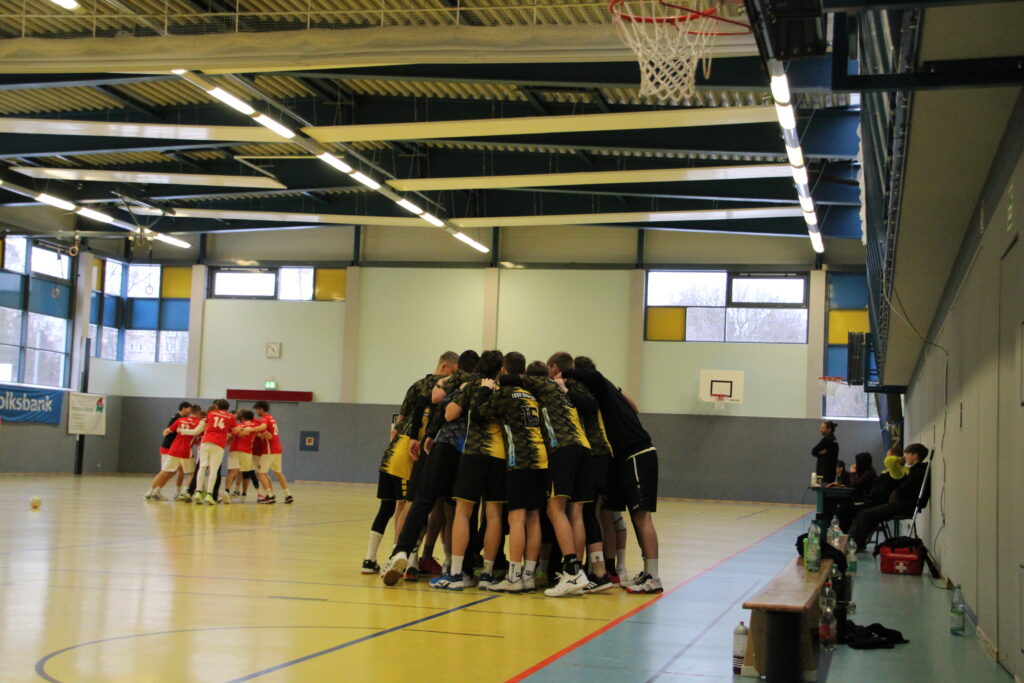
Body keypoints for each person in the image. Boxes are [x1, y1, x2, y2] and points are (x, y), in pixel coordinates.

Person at [561, 357, 662, 594]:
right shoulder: (610, 392)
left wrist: (563, 375)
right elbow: (635, 407)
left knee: (642, 516)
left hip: (638, 453)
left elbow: (593, 376)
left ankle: (654, 577)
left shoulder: (600, 383)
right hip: (625, 458)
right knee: (633, 516)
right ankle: (647, 571)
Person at [417, 350, 506, 591]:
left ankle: (457, 573)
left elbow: (449, 413)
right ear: (501, 370)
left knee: (463, 513)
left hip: (473, 453)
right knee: (493, 515)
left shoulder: (471, 385)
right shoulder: (504, 390)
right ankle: (487, 573)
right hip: (499, 455)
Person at [371, 352, 460, 577]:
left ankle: (402, 557)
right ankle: (409, 558)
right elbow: (404, 419)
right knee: (423, 506)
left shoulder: (419, 385)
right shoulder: (449, 385)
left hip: (412, 448)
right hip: (423, 450)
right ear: (445, 366)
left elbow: (400, 421)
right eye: (454, 369)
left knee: (407, 506)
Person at [474, 352, 549, 593]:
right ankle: (528, 575)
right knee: (534, 518)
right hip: (541, 460)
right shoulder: (531, 396)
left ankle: (514, 577)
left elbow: (479, 413)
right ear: (524, 371)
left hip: (520, 461)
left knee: (516, 518)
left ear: (504, 371)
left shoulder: (505, 393)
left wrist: (484, 390)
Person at [848, 443, 930, 550]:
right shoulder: (914, 470)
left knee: (866, 514)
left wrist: (897, 492)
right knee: (864, 514)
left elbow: (903, 490)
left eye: (907, 454)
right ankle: (852, 542)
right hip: (899, 503)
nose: (904, 457)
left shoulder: (918, 472)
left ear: (915, 455)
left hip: (904, 505)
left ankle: (854, 545)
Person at [145, 402, 198, 501]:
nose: (190, 411)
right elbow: (165, 432)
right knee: (167, 472)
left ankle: (176, 492)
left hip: (174, 449)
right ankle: (155, 491)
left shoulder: (181, 419)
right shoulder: (177, 418)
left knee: (177, 472)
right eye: (189, 409)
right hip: (169, 448)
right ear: (184, 408)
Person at [251, 401, 292, 504]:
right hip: (277, 449)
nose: (256, 411)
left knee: (261, 473)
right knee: (278, 472)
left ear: (261, 409)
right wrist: (261, 435)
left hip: (269, 450)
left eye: (257, 409)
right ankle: (288, 495)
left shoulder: (266, 418)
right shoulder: (272, 418)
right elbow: (268, 434)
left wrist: (250, 430)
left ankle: (269, 496)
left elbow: (263, 427)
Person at [226, 410, 259, 501]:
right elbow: (264, 431)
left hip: (234, 450)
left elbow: (230, 437)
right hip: (247, 451)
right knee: (246, 473)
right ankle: (244, 495)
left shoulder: (238, 425)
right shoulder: (255, 425)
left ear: (242, 418)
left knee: (232, 472)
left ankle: (227, 492)